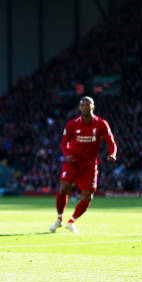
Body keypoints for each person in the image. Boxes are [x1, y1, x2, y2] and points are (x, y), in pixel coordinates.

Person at [49, 96, 117, 233]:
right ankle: (59, 219)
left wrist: (113, 153)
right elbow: (64, 143)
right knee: (63, 188)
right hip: (72, 162)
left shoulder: (101, 124)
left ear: (93, 107)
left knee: (88, 196)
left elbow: (111, 142)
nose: (85, 107)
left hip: (90, 165)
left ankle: (71, 221)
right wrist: (66, 155)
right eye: (83, 105)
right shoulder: (72, 124)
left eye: (88, 105)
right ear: (79, 108)